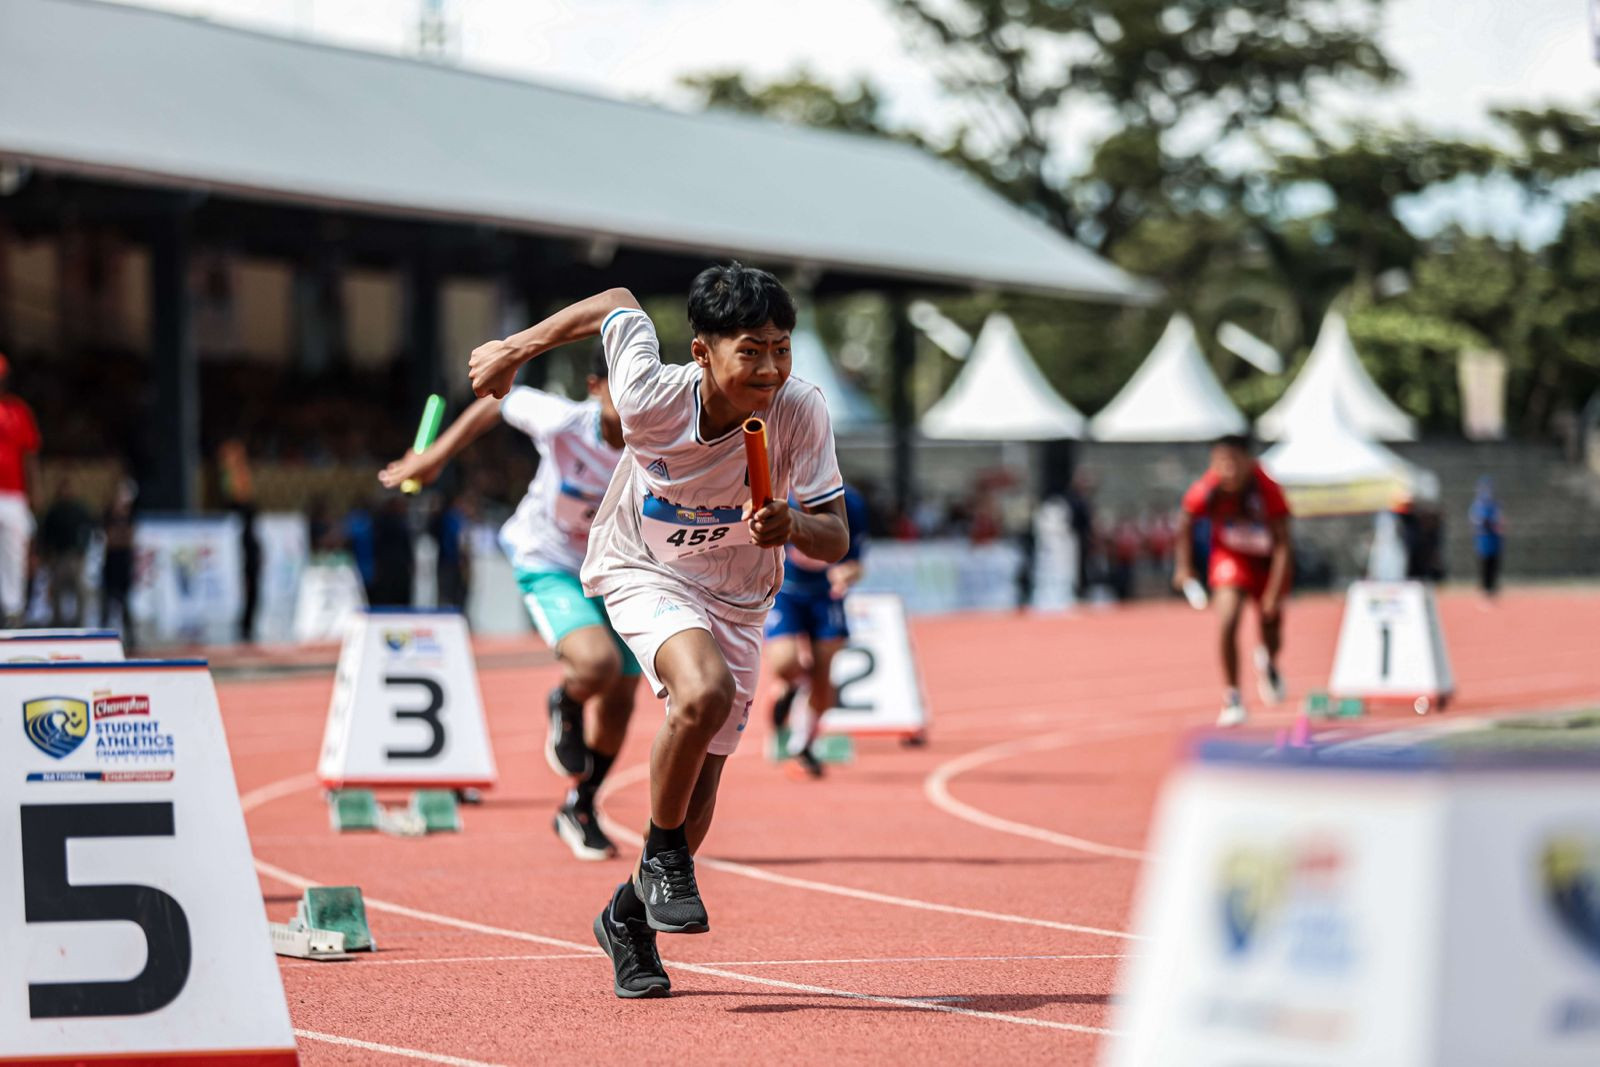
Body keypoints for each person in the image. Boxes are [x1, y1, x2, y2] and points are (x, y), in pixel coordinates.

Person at [466, 263, 848, 1000]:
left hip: (739, 594)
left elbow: (834, 535)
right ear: (702, 351)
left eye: (782, 348)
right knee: (699, 694)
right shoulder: (648, 394)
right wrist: (515, 348)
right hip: (643, 566)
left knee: (701, 779)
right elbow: (616, 302)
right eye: (752, 350)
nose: (770, 368)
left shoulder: (800, 410)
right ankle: (665, 853)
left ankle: (628, 915)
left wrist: (792, 522)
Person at [380, 349, 639, 862]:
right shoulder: (565, 421)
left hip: (621, 568)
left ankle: (581, 805)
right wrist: (434, 458)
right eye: (623, 386)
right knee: (597, 665)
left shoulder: (660, 436)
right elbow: (497, 403)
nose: (636, 399)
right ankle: (565, 702)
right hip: (551, 559)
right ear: (595, 387)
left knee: (624, 693)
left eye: (644, 384)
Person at [1173, 434, 1292, 727]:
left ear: (1248, 462)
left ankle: (1269, 660)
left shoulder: (1267, 489)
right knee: (1227, 621)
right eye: (1220, 463)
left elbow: (1283, 545)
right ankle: (1233, 697)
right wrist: (1185, 566)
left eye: (1234, 462)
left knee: (1271, 623)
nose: (1228, 470)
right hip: (1231, 559)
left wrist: (1274, 593)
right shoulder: (1207, 488)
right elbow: (1185, 521)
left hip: (1267, 563)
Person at [765, 483, 869, 778]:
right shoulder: (776, 495)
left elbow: (858, 564)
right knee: (784, 663)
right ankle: (795, 685)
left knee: (824, 673)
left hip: (826, 597)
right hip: (784, 592)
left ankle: (803, 745)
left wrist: (845, 574)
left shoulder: (851, 503)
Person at [0, 353, 40, 626]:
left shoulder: (19, 411)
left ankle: (13, 610)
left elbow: (30, 455)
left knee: (14, 553)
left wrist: (35, 492)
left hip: (14, 495)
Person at [38, 476, 95, 626]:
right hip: (59, 556)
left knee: (81, 591)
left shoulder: (80, 509)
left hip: (76, 556)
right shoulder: (54, 511)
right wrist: (46, 554)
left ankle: (81, 622)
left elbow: (90, 529)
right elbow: (45, 535)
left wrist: (83, 548)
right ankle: (58, 622)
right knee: (57, 591)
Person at [1469, 476, 1503, 599]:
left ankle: (1492, 587)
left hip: (1494, 541)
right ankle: (1484, 588)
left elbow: (1500, 522)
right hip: (1483, 542)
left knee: (1494, 565)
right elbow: (1477, 522)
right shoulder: (1477, 506)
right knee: (1484, 565)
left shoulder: (1495, 506)